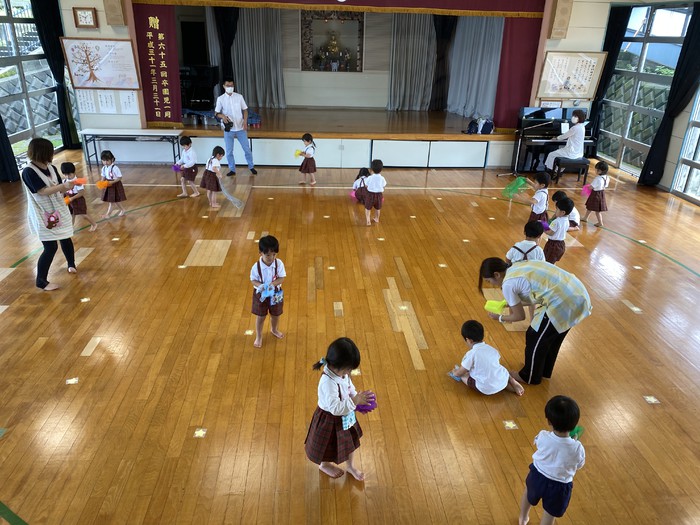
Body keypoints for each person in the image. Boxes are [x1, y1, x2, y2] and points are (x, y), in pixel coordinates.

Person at [478, 258, 592, 385]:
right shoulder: (517, 266)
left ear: (496, 274)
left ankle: (529, 376)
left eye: (489, 281)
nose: (493, 285)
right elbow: (535, 295)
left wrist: (499, 317)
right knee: (551, 336)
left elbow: (519, 316)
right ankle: (543, 370)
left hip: (564, 301)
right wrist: (509, 303)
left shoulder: (508, 284)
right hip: (575, 292)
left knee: (535, 336)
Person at [305, 337, 372, 480]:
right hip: (329, 418)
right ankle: (324, 465)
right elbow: (335, 408)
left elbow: (349, 387)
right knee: (326, 445)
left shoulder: (342, 374)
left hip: (346, 415)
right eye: (348, 370)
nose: (348, 374)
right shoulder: (327, 382)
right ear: (337, 366)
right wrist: (354, 401)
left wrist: (357, 398)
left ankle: (350, 466)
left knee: (350, 442)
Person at [518, 396, 585, 525]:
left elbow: (538, 443)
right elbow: (579, 464)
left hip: (537, 476)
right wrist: (574, 441)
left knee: (528, 494)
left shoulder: (543, 435)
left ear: (549, 421)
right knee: (550, 514)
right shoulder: (577, 448)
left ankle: (523, 518)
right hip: (559, 485)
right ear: (575, 424)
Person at [21, 138, 77, 291]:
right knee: (50, 246)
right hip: (43, 213)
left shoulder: (51, 167)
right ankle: (41, 281)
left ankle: (71, 264)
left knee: (66, 237)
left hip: (58, 208)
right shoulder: (29, 171)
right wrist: (62, 186)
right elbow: (42, 191)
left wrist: (67, 187)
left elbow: (59, 188)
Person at [448, 320, 525, 396]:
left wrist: (455, 372)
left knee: (463, 376)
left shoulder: (472, 354)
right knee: (499, 369)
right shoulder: (493, 350)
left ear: (469, 340)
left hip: (486, 388)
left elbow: (461, 371)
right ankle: (512, 381)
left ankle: (506, 385)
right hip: (501, 380)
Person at [213, 78, 257, 177]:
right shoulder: (221, 99)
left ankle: (251, 166)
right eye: (228, 86)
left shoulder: (239, 97)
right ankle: (232, 169)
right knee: (229, 151)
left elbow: (245, 110)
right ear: (224, 86)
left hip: (241, 127)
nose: (230, 87)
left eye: (232, 86)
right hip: (229, 129)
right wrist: (223, 116)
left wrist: (245, 121)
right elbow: (216, 113)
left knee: (247, 149)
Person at [250, 235, 286, 348]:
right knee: (260, 316)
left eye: (274, 254)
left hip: (275, 293)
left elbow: (282, 278)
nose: (271, 257)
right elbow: (253, 280)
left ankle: (274, 329)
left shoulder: (279, 264)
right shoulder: (256, 267)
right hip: (261, 295)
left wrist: (272, 285)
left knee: (276, 314)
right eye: (268, 255)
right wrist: (260, 286)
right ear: (260, 253)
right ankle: (259, 336)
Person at [61, 162, 97, 232]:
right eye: (65, 175)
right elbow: (64, 191)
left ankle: (94, 224)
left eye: (69, 174)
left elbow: (81, 193)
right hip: (70, 199)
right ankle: (71, 228)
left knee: (83, 214)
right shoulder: (64, 181)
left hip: (78, 200)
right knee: (71, 214)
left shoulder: (78, 182)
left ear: (74, 172)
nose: (68, 176)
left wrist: (72, 198)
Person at [543, 197, 574, 265]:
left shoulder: (556, 221)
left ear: (563, 212)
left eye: (557, 209)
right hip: (561, 244)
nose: (555, 211)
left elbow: (550, 233)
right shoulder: (567, 221)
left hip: (552, 245)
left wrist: (543, 227)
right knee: (552, 261)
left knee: (547, 261)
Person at [582, 161, 610, 227]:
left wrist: (587, 187)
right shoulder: (607, 177)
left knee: (597, 210)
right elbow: (605, 186)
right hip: (601, 193)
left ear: (599, 171)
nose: (595, 170)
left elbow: (591, 187)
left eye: (596, 169)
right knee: (590, 207)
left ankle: (600, 222)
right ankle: (585, 218)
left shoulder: (597, 179)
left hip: (595, 194)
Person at [100, 150, 127, 218]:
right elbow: (103, 176)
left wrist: (112, 182)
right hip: (108, 185)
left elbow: (119, 177)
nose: (105, 162)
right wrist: (101, 183)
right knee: (114, 200)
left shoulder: (115, 168)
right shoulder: (103, 168)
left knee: (112, 201)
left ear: (112, 159)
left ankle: (108, 214)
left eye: (107, 160)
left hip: (115, 185)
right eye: (103, 161)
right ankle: (122, 210)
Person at [364, 159, 387, 226]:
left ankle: (368, 221)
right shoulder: (382, 178)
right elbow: (384, 186)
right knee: (378, 208)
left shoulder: (370, 177)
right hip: (379, 195)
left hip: (370, 194)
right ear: (381, 169)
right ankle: (377, 218)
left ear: (372, 169)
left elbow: (366, 185)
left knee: (368, 208)